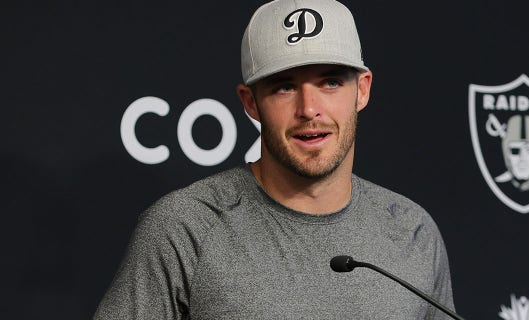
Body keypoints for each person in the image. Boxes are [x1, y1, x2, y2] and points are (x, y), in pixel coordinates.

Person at [94, 0, 456, 319]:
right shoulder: (185, 227)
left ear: (362, 89)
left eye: (330, 82)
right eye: (284, 87)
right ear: (250, 102)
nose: (309, 109)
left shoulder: (412, 231)